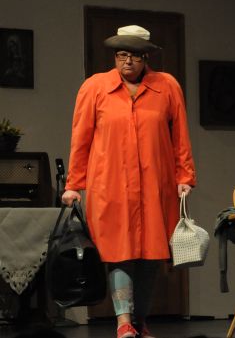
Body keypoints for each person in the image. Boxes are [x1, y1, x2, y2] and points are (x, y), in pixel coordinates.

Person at [61, 25, 196, 338]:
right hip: (111, 183)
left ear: (146, 57)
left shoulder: (166, 86)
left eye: (134, 55)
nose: (127, 62)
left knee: (151, 254)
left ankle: (140, 320)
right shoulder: (95, 87)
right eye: (121, 55)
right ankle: (123, 321)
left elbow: (180, 136)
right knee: (118, 251)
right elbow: (80, 138)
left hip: (155, 184)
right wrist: (73, 184)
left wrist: (185, 176)